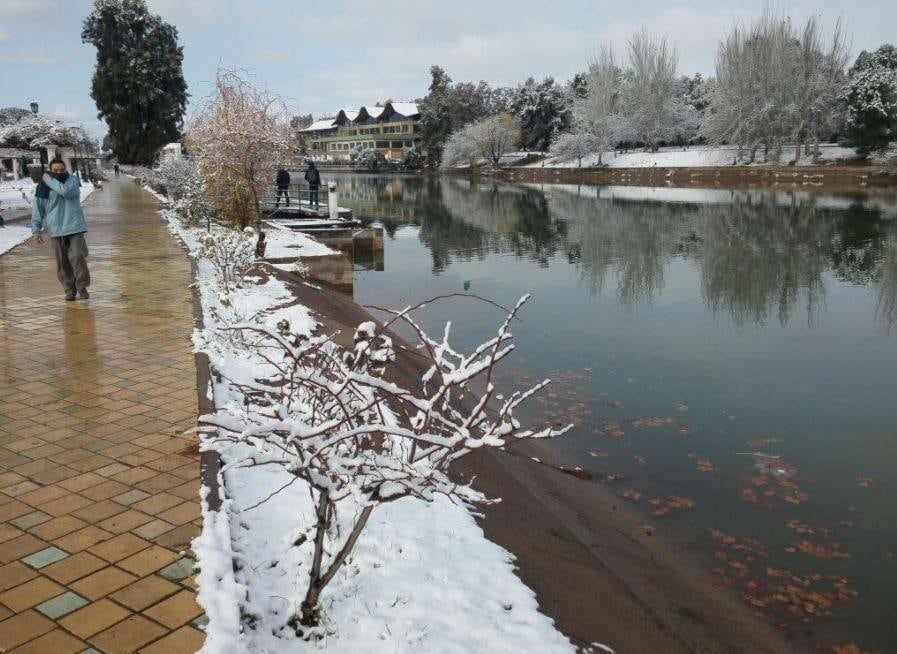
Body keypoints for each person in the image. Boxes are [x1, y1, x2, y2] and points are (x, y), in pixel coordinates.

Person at [31, 158, 90, 301]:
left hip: (74, 226)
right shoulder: (43, 187)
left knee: (77, 256)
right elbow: (37, 208)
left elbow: (65, 192)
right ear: (50, 170)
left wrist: (48, 178)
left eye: (61, 169)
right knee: (62, 262)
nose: (59, 172)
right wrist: (36, 229)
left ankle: (81, 286)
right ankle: (69, 289)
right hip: (56, 228)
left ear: (66, 169)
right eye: (55, 170)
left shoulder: (72, 181)